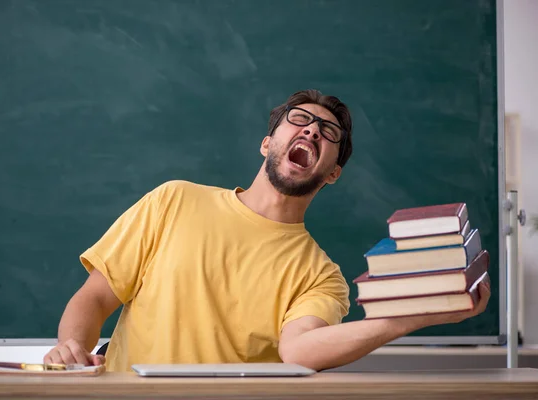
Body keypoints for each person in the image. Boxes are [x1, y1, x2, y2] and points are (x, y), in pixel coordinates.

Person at [44, 89, 490, 372]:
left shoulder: (322, 277)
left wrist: (416, 316)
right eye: (299, 120)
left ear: (333, 173)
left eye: (328, 132)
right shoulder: (174, 200)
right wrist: (70, 351)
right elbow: (96, 297)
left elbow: (299, 352)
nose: (313, 130)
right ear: (267, 142)